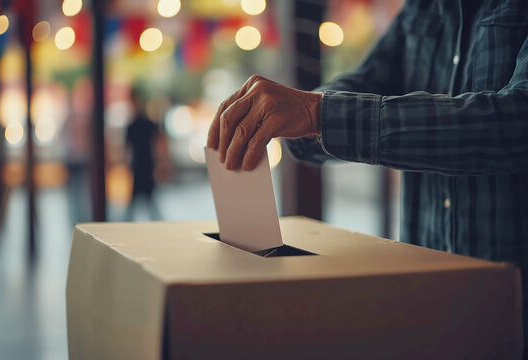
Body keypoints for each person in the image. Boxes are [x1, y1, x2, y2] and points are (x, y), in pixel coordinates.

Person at [207, 0, 528, 355]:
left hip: (515, 316)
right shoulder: (422, 11)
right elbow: (365, 81)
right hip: (431, 309)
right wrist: (302, 114)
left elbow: (516, 125)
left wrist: (317, 113)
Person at [125, 88, 161, 221]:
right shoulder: (133, 125)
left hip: (146, 166)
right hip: (138, 167)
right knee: (141, 203)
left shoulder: (144, 124)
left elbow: (158, 144)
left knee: (148, 203)